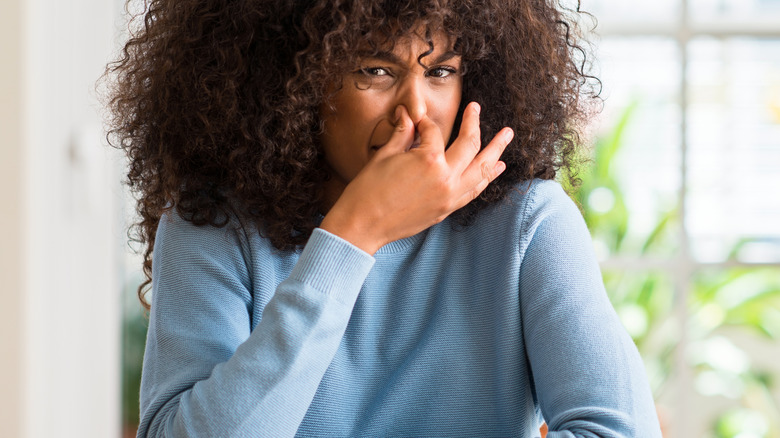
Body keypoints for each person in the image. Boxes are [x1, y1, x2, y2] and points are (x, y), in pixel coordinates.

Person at [105, 0, 663, 436]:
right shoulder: (213, 226)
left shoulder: (527, 223)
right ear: (289, 84)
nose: (416, 110)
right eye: (375, 69)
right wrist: (353, 236)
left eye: (441, 71)